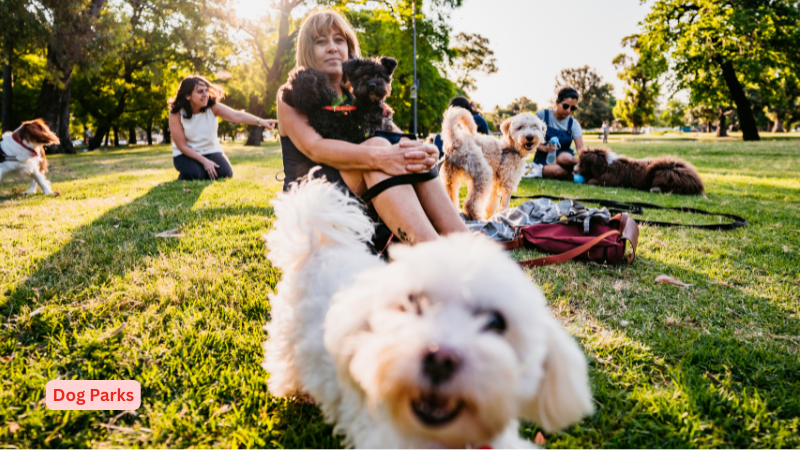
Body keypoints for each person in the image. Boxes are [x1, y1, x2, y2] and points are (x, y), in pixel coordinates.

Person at [277, 9, 467, 246]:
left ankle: (464, 241)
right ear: (308, 50)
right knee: (378, 148)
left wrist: (422, 149)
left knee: (407, 148)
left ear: (349, 48)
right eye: (320, 41)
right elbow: (314, 147)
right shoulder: (292, 93)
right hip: (312, 196)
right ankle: (431, 251)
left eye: (339, 40)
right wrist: (380, 155)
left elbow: (393, 134)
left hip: (358, 190)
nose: (332, 47)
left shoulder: (358, 93)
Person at [169, 75, 277, 181]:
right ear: (188, 95)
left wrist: (261, 121)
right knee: (196, 175)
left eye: (206, 90)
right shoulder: (176, 113)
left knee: (225, 173)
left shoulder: (213, 108)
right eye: (200, 91)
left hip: (210, 150)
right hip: (185, 153)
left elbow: (237, 115)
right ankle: (196, 170)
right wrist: (204, 162)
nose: (205, 94)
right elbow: (182, 146)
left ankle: (202, 170)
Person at [534, 87, 586, 180]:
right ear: (557, 102)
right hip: (544, 159)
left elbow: (580, 149)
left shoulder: (574, 124)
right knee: (557, 171)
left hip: (564, 157)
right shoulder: (541, 116)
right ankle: (576, 177)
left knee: (566, 158)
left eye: (573, 108)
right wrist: (544, 148)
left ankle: (586, 171)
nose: (568, 111)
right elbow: (527, 141)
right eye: (566, 106)